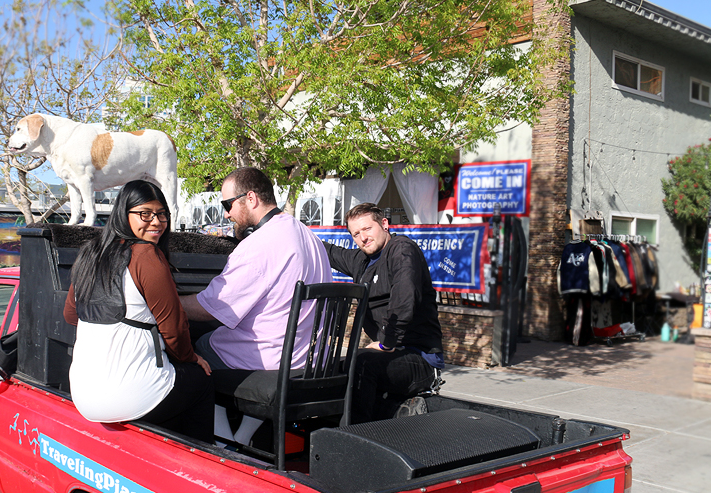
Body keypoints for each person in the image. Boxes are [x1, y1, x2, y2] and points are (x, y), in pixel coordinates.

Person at [179, 167, 332, 444]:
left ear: (250, 198)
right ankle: (243, 437)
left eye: (227, 205)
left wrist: (167, 302)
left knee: (198, 349)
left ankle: (225, 444)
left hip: (273, 361)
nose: (227, 214)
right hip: (310, 360)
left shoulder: (260, 244)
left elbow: (211, 308)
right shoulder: (309, 236)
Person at [63, 179, 214, 442]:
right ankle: (204, 456)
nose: (156, 222)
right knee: (202, 379)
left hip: (83, 397)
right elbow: (174, 329)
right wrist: (191, 358)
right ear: (124, 213)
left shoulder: (89, 253)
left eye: (162, 214)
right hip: (133, 397)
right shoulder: (145, 255)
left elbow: (70, 315)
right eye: (145, 214)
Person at [323, 203, 444, 422]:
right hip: (390, 356)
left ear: (384, 224)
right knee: (335, 367)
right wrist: (295, 232)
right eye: (356, 234)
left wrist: (386, 342)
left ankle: (353, 435)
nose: (363, 238)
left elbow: (404, 299)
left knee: (361, 365)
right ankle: (388, 414)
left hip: (419, 357)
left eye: (367, 229)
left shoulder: (402, 250)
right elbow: (330, 252)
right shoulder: (361, 261)